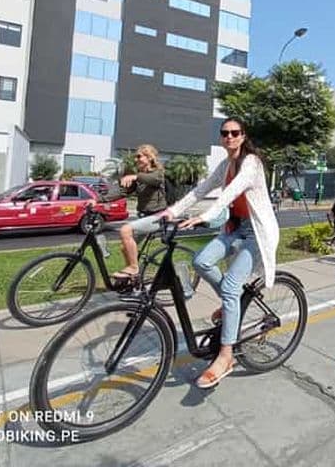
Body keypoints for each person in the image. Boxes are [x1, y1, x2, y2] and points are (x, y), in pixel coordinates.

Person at [155, 117, 278, 389]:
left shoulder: (252, 163)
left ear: (243, 136)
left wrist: (205, 216)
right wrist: (172, 211)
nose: (230, 137)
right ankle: (230, 305)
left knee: (232, 287)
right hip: (235, 228)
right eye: (225, 133)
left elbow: (231, 193)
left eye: (235, 133)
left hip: (257, 233)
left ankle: (226, 356)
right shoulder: (225, 165)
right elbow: (201, 190)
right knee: (200, 261)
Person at [113, 144, 167, 282]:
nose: (136, 159)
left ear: (149, 158)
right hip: (144, 217)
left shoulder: (157, 173)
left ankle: (133, 268)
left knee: (125, 231)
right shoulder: (139, 177)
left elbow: (153, 179)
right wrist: (97, 200)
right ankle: (134, 278)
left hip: (157, 217)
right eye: (135, 157)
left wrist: (135, 176)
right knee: (125, 248)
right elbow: (122, 192)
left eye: (139, 156)